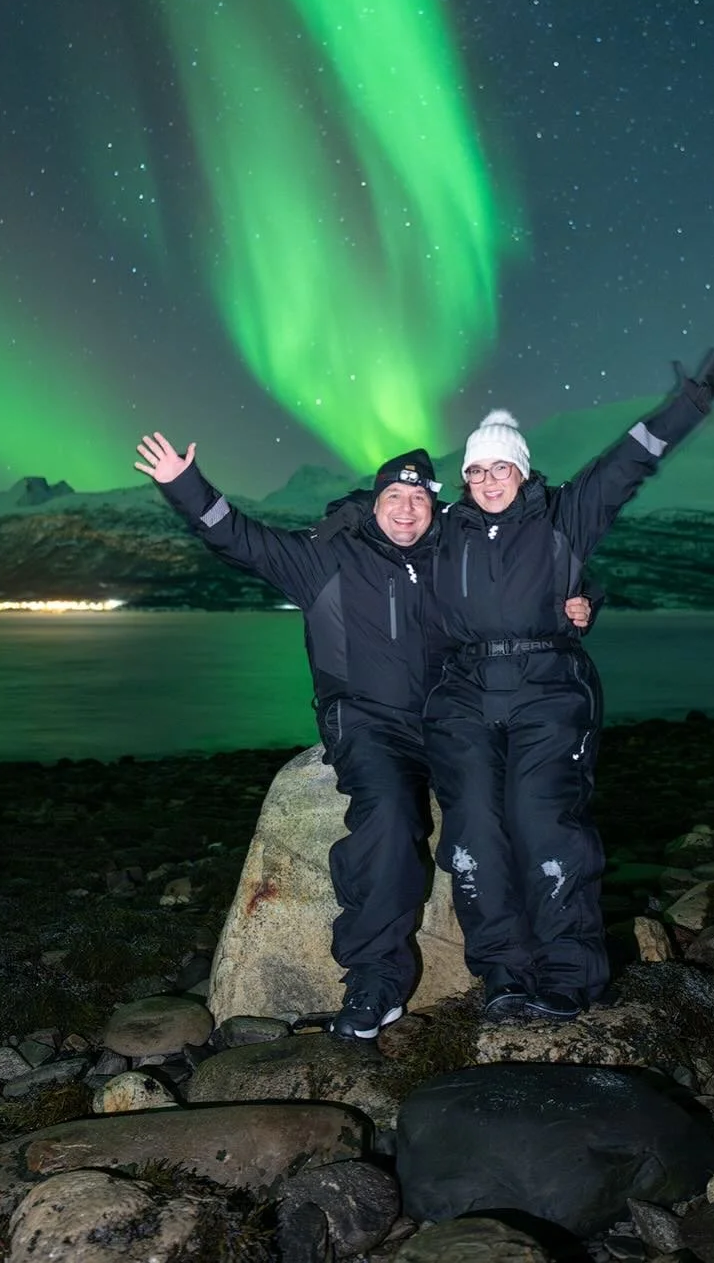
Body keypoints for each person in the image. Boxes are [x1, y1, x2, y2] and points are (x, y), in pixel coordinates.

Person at [133, 429, 592, 1039]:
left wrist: (587, 601)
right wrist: (182, 484)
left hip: (457, 716)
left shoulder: (454, 554)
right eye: (394, 498)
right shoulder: (326, 555)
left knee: (502, 817)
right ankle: (376, 980)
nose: (407, 510)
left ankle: (521, 972)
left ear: (435, 507)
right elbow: (239, 539)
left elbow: (540, 574)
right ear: (373, 503)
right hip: (372, 724)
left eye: (420, 500)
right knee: (388, 822)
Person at [423, 349, 714, 1024]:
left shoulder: (565, 514)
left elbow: (626, 464)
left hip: (547, 687)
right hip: (466, 693)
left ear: (523, 468)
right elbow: (380, 539)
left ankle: (567, 972)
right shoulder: (444, 530)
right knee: (474, 832)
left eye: (498, 466)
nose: (486, 478)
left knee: (544, 824)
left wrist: (686, 407)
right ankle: (503, 972)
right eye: (474, 469)